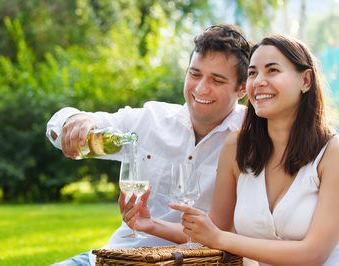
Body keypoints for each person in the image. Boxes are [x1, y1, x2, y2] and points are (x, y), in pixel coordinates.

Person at [123, 34, 339, 266]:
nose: (258, 81)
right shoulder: (237, 147)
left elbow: (314, 254)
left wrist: (220, 238)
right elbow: (212, 229)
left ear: (306, 80)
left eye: (272, 70)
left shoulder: (331, 152)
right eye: (253, 73)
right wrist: (150, 224)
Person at [46, 23, 250, 266]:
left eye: (217, 80)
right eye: (195, 74)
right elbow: (62, 126)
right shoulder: (151, 119)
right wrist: (75, 119)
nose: (201, 88)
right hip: (117, 256)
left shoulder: (251, 136)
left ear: (242, 89)